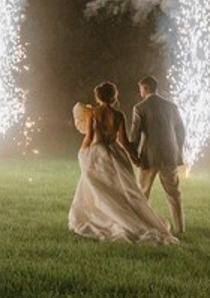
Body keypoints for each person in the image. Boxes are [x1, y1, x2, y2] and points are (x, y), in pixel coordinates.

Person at [67, 82, 177, 244]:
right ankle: (122, 217)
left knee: (98, 188)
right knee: (118, 189)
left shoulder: (93, 113)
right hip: (115, 153)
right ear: (114, 97)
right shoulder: (118, 115)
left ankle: (103, 216)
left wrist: (82, 152)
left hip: (97, 153)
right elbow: (124, 141)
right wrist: (134, 157)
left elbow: (89, 137)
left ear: (98, 96)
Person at [129, 76, 187, 235]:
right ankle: (180, 228)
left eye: (140, 88)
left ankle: (139, 225)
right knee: (174, 193)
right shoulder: (172, 106)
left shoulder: (139, 108)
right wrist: (178, 150)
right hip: (170, 154)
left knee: (143, 192)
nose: (140, 92)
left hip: (150, 155)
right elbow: (181, 131)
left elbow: (135, 136)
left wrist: (133, 154)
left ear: (145, 88)